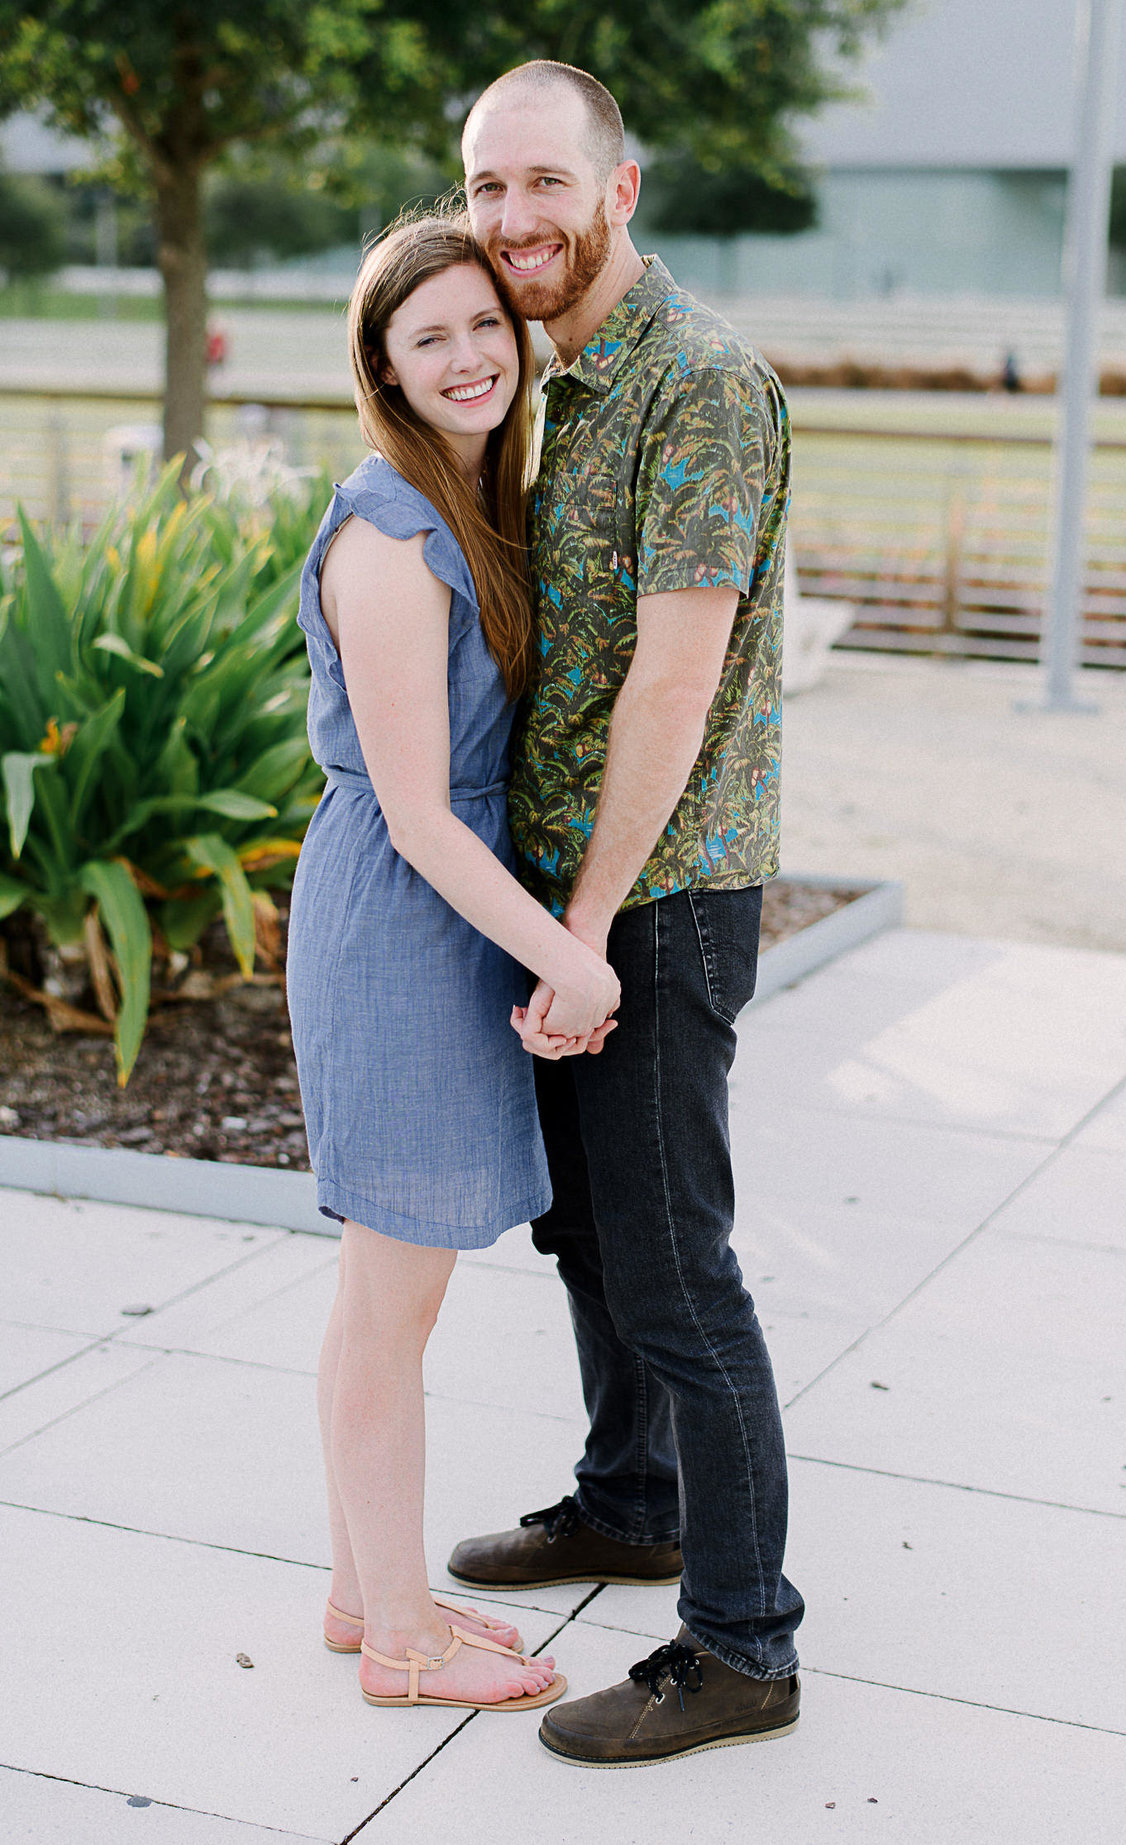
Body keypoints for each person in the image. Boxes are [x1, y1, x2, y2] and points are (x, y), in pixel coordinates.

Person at [437, 59, 803, 1768]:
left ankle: (740, 1643)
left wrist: (580, 928)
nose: (512, 218)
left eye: (541, 183)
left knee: (676, 1274)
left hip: (652, 901)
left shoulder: (701, 386)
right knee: (589, 1238)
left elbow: (673, 683)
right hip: (563, 905)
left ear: (620, 189)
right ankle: (628, 1497)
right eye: (484, 187)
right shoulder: (546, 384)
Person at [293, 212, 619, 1715]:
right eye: (430, 338)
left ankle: (374, 1591)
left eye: (486, 324)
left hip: (439, 909)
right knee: (389, 1301)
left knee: (386, 1298)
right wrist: (573, 957)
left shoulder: (470, 502)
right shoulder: (388, 532)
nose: (471, 355)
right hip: (403, 919)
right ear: (385, 366)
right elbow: (420, 811)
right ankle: (406, 1641)